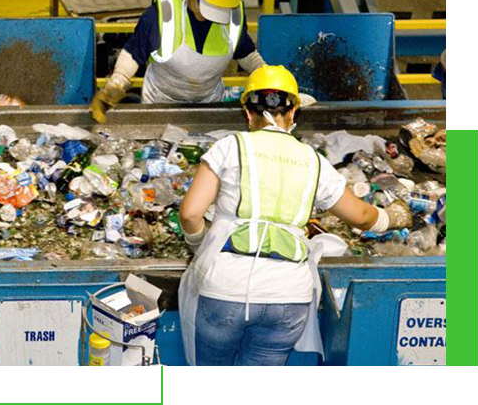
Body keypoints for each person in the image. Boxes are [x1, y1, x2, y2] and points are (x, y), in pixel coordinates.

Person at [177, 65, 413, 366]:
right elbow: (363, 217)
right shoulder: (313, 161)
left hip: (225, 289)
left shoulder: (229, 147)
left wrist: (200, 245)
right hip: (289, 296)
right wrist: (394, 216)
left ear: (248, 113)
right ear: (293, 113)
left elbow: (191, 213)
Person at [90, 0, 266, 122]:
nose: (217, 16)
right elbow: (134, 52)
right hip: (160, 106)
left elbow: (246, 53)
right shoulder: (163, 15)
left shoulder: (234, 16)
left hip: (209, 107)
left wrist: (267, 76)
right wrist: (117, 83)